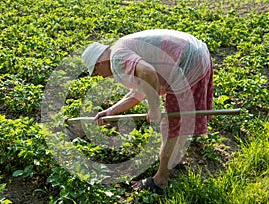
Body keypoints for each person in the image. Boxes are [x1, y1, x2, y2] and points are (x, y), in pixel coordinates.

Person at [81, 29, 213, 194]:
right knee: (178, 121)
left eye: (95, 73)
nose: (99, 77)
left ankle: (160, 180)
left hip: (188, 61)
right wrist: (111, 111)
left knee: (172, 127)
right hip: (198, 55)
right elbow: (140, 91)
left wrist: (154, 107)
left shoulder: (116, 58)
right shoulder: (119, 50)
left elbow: (148, 72)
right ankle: (174, 161)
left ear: (99, 63)